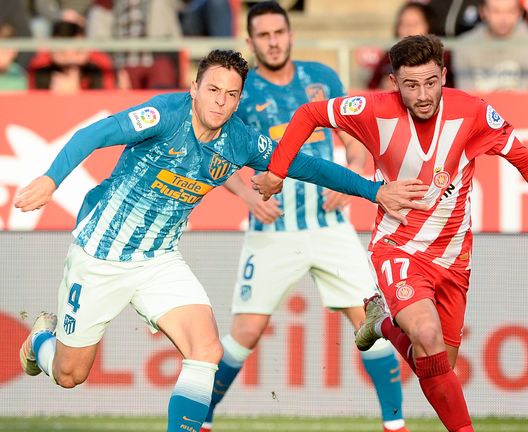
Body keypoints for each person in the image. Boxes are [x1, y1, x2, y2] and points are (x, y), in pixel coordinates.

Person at [15, 49, 427, 432]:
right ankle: (40, 341)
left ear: (238, 100)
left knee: (206, 350)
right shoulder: (164, 115)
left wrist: (374, 191)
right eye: (212, 90)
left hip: (159, 260)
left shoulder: (240, 140)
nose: (220, 102)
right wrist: (51, 179)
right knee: (71, 375)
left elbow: (308, 164)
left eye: (231, 95)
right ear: (194, 88)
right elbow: (95, 134)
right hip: (101, 257)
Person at [253, 34, 528, 432]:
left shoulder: (472, 113)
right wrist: (277, 172)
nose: (422, 95)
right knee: (425, 332)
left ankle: (384, 323)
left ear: (443, 74)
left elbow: (523, 157)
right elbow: (309, 114)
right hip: (398, 247)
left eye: (430, 82)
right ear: (393, 82)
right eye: (410, 85)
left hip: (454, 257)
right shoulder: (373, 111)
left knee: (436, 366)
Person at [202, 4, 409, 432]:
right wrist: (247, 196)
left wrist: (353, 176)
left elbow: (357, 138)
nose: (273, 41)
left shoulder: (323, 79)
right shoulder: (240, 89)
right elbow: (213, 154)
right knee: (245, 334)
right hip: (272, 228)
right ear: (250, 42)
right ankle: (199, 421)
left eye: (279, 32)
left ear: (291, 34)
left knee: (371, 319)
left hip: (328, 225)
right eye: (264, 35)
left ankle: (395, 425)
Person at [452, 0, 528, 91]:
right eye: (496, 11)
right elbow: (466, 96)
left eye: (510, 11)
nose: (504, 19)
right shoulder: (464, 46)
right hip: (479, 108)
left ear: (519, 13)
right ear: (483, 12)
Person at [367, 1, 455, 90]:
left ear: (429, 26)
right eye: (404, 24)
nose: (409, 29)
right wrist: (383, 87)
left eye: (415, 24)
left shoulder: (442, 56)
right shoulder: (389, 56)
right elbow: (371, 88)